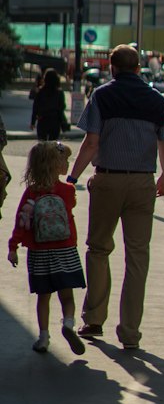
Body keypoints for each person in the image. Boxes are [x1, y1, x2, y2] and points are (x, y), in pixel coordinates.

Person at [66, 43, 164, 352]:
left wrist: (72, 178)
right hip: (142, 184)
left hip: (109, 181)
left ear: (112, 68)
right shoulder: (157, 100)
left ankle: (94, 319)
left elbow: (91, 142)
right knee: (138, 256)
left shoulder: (102, 95)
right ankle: (130, 333)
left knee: (99, 249)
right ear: (139, 68)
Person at [7, 142, 86, 356]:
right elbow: (70, 208)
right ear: (56, 165)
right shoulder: (66, 191)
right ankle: (68, 323)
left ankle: (43, 337)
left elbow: (21, 220)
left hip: (39, 251)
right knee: (66, 295)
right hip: (65, 249)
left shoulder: (32, 192)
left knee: (43, 297)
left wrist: (13, 247)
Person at [30, 66, 68, 141]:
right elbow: (61, 108)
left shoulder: (40, 92)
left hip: (42, 120)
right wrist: (63, 122)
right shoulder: (59, 93)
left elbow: (35, 107)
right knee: (52, 145)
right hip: (55, 121)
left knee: (42, 145)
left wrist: (33, 122)